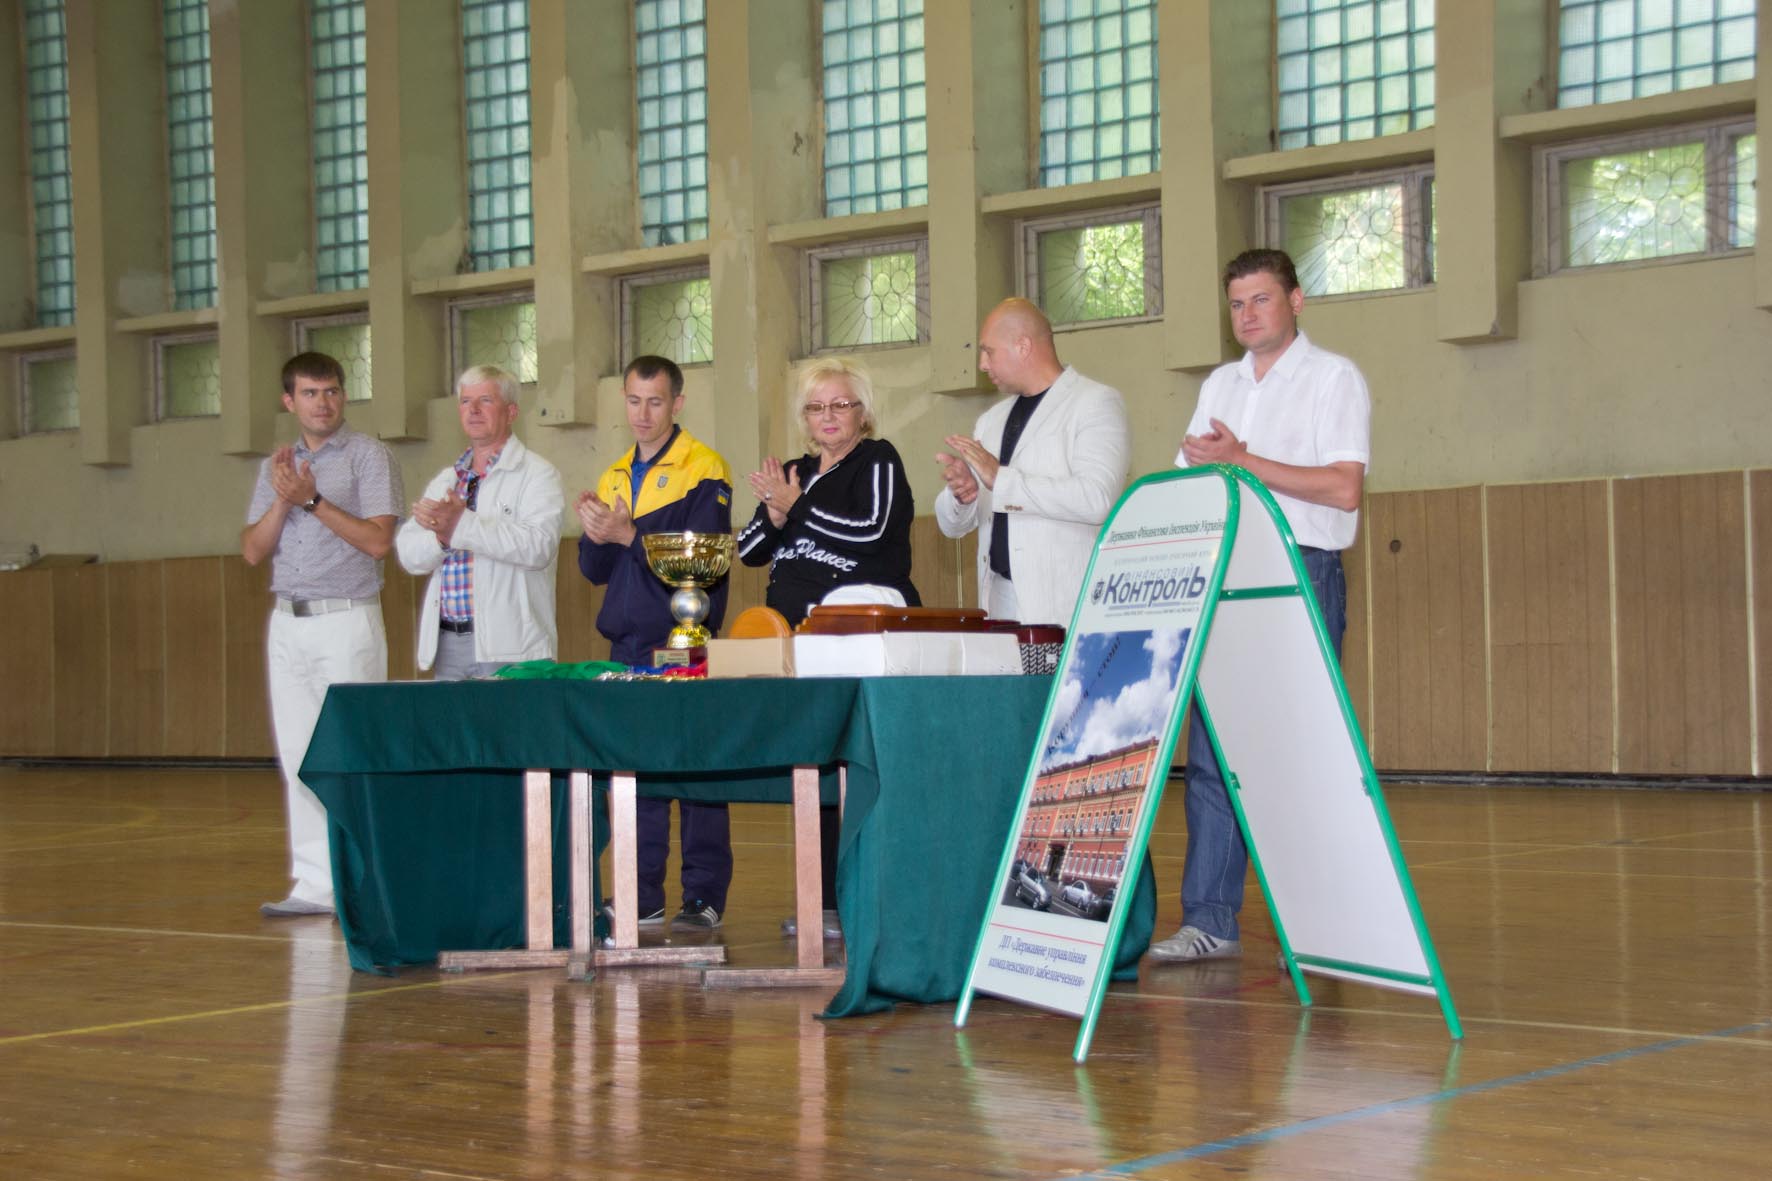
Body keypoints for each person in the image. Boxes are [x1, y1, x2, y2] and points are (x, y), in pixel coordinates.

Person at [1150, 248, 1371, 964]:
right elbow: (1190, 476)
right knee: (1214, 753)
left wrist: (1242, 460)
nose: (1247, 315)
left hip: (1301, 571)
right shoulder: (1220, 383)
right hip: (1225, 572)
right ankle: (1210, 919)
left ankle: (1322, 927)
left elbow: (1344, 489)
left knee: (1302, 753)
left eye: (1262, 300)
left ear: (1296, 301)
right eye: (1237, 303)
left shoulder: (1334, 378)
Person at [737, 357, 920, 939]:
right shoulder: (794, 472)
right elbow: (748, 551)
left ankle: (862, 896)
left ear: (863, 412)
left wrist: (797, 509)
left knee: (855, 766)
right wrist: (774, 513)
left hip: (858, 635)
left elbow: (871, 531)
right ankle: (824, 901)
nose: (829, 416)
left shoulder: (878, 459)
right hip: (794, 643)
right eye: (816, 407)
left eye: (841, 404)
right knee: (812, 768)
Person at [242, 352, 403, 918]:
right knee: (299, 755)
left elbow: (378, 542)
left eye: (332, 391)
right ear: (289, 401)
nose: (323, 402)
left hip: (346, 620)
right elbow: (252, 550)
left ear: (344, 395)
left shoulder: (368, 456)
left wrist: (311, 501)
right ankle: (315, 884)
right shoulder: (278, 466)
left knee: (352, 752)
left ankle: (363, 883)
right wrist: (284, 499)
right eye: (310, 393)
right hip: (288, 621)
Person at [576, 355, 734, 930]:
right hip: (626, 645)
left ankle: (704, 895)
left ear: (677, 403)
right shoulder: (615, 474)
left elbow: (701, 564)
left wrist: (630, 534)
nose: (642, 414)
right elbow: (595, 571)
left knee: (695, 769)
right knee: (633, 772)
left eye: (655, 402)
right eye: (634, 400)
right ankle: (640, 893)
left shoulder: (704, 468)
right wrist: (596, 533)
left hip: (683, 639)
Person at [934, 297, 1130, 626]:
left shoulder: (1094, 403)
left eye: (988, 351)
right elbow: (952, 527)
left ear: (1022, 346)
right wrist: (963, 494)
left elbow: (1096, 499)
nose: (982, 364)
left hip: (1064, 604)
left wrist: (1001, 480)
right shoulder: (991, 420)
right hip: (997, 600)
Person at [395, 365, 563, 680]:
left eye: (485, 400)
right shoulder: (447, 479)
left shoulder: (538, 474)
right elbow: (408, 555)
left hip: (513, 645)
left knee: (511, 717)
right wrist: (442, 539)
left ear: (511, 412)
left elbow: (538, 548)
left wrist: (460, 526)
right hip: (447, 643)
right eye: (465, 401)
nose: (472, 409)